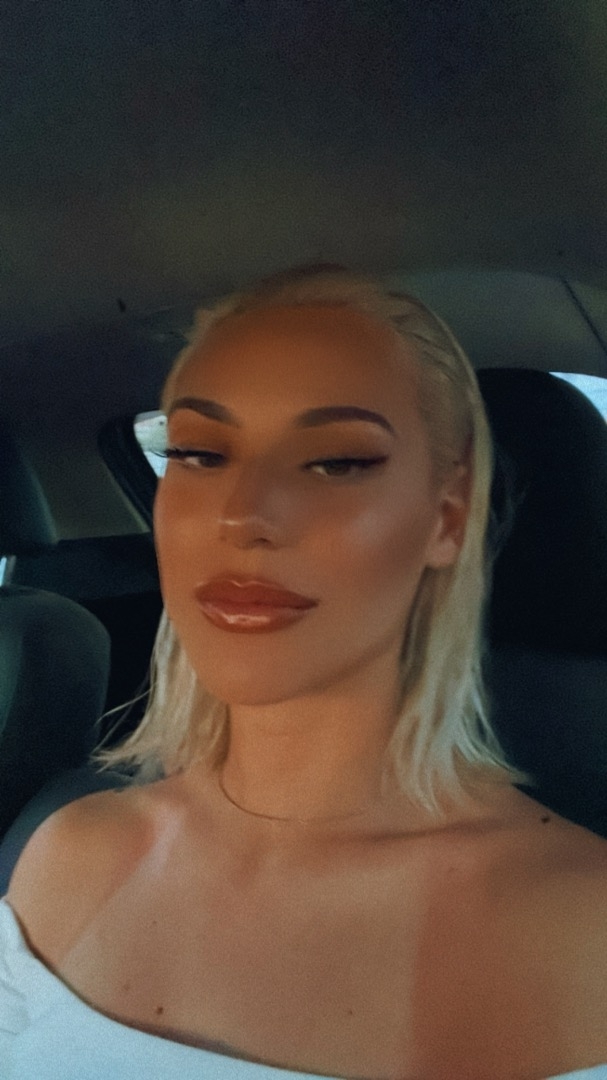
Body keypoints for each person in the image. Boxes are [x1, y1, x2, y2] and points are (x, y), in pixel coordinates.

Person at [2, 264, 607, 1080]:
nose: (243, 514)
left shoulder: (578, 930)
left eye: (336, 462)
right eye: (197, 452)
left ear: (446, 518)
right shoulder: (68, 850)